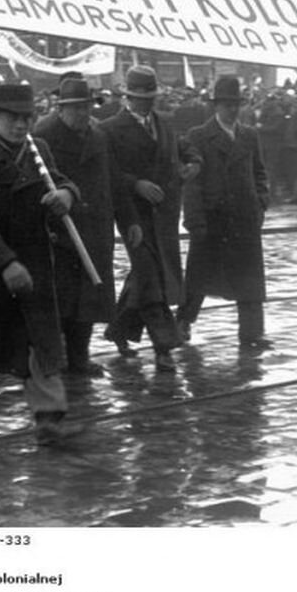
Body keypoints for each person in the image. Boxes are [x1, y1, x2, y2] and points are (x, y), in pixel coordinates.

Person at [0, 82, 80, 443]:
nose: (20, 125)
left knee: (40, 340)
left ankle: (49, 418)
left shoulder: (39, 151)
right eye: (12, 118)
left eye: (26, 118)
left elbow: (61, 181)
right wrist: (6, 263)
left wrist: (66, 195)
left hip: (33, 261)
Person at [34, 74, 142, 378]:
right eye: (76, 108)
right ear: (61, 108)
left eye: (87, 107)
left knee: (88, 301)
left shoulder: (98, 136)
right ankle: (55, 359)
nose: (83, 113)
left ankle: (79, 358)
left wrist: (129, 220)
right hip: (61, 232)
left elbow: (114, 181)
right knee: (63, 300)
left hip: (95, 229)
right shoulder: (43, 136)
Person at [98, 65, 202, 372]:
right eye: (140, 98)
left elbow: (185, 148)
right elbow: (108, 172)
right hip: (133, 215)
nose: (146, 103)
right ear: (128, 97)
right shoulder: (110, 129)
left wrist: (194, 163)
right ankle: (164, 347)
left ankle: (119, 329)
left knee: (147, 276)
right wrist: (136, 184)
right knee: (151, 275)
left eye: (150, 98)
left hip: (165, 212)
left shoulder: (165, 122)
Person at [177, 75, 272, 350]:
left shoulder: (249, 135)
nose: (232, 109)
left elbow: (260, 173)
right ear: (216, 105)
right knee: (198, 278)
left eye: (236, 104)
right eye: (227, 104)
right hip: (212, 219)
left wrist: (260, 202)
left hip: (244, 218)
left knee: (250, 280)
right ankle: (182, 322)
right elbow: (192, 184)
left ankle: (252, 333)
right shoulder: (198, 136)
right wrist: (195, 221)